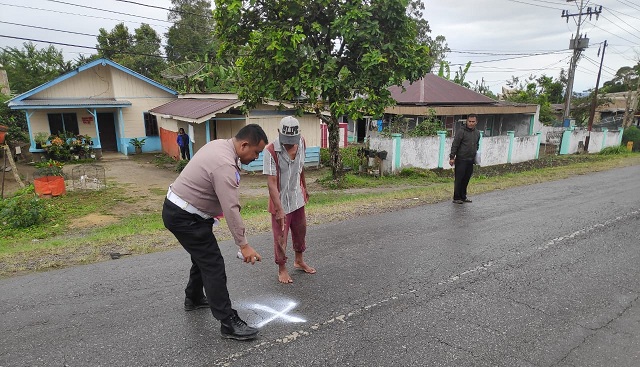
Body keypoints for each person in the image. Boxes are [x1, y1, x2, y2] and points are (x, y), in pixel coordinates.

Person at [162, 124, 267, 341]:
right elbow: (231, 208)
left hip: (183, 211)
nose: (257, 157)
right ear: (244, 144)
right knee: (213, 263)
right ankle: (228, 322)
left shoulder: (220, 145)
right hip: (185, 216)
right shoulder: (224, 164)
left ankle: (193, 298)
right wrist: (243, 244)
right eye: (256, 152)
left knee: (202, 257)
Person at [263, 116, 316, 284]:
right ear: (279, 133)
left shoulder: (302, 143)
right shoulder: (271, 151)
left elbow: (300, 168)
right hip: (280, 201)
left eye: (292, 140)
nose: (289, 144)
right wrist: (279, 210)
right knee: (281, 237)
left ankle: (299, 260)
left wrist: (305, 187)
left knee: (301, 231)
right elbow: (271, 183)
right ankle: (282, 268)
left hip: (297, 197)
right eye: (286, 140)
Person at [449, 114, 480, 204]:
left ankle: (463, 196)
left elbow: (477, 144)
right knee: (459, 179)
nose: (470, 123)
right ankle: (456, 197)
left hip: (471, 160)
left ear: (476, 122)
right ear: (467, 121)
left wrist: (475, 153)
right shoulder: (461, 131)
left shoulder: (477, 133)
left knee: (466, 179)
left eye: (473, 122)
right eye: (469, 121)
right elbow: (455, 144)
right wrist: (452, 157)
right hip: (461, 159)